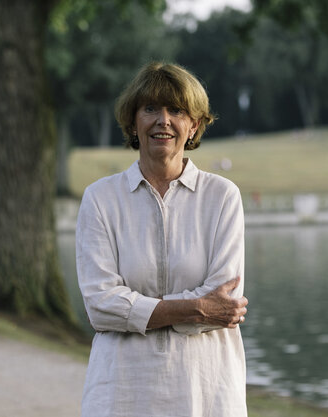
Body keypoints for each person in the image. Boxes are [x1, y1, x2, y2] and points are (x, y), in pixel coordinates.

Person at [75, 62, 249, 417]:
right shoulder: (100, 199)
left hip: (205, 389)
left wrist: (136, 311)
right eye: (150, 108)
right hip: (122, 391)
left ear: (194, 125)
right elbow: (100, 306)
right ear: (133, 122)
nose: (163, 120)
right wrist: (196, 309)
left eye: (177, 110)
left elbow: (224, 302)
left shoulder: (222, 197)